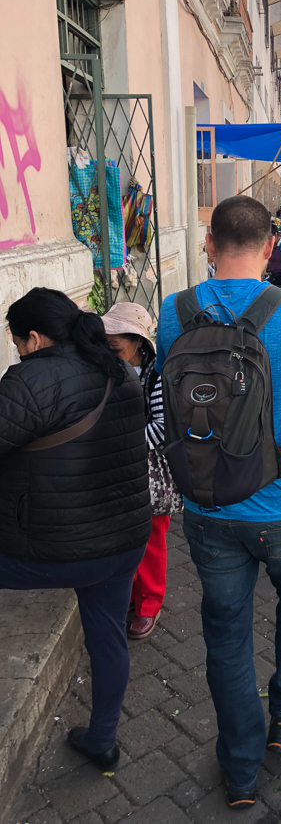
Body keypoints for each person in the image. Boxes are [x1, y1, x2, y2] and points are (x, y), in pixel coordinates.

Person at [155, 196, 281, 809]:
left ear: (208, 244)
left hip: (208, 507)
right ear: (269, 248)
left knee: (226, 631)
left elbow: (175, 410)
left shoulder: (173, 312)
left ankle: (239, 769)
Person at [0, 288, 151, 770]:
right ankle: (102, 739)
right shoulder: (120, 371)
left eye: (18, 342)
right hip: (124, 541)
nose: (19, 352)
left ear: (35, 337)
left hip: (52, 549)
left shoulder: (29, 381)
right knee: (107, 637)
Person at [102, 304, 181, 639]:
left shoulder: (157, 376)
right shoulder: (108, 371)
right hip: (115, 470)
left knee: (151, 539)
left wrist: (124, 446)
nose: (112, 353)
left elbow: (163, 429)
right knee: (120, 539)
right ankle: (128, 597)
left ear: (138, 341)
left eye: (117, 347)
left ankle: (149, 603)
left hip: (147, 472)